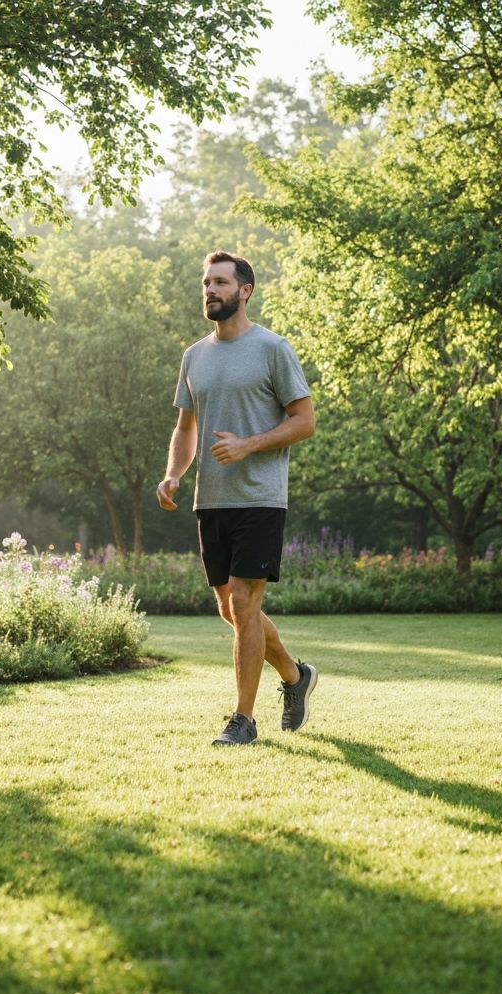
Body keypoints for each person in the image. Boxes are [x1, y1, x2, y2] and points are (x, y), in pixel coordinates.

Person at [156, 250, 318, 745]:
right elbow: (186, 427)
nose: (211, 290)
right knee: (231, 609)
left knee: (246, 602)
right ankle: (295, 676)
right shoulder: (194, 356)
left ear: (244, 291)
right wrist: (173, 474)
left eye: (221, 282)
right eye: (207, 282)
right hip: (211, 499)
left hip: (260, 497)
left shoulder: (272, 349)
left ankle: (243, 720)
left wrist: (248, 445)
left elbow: (304, 421)